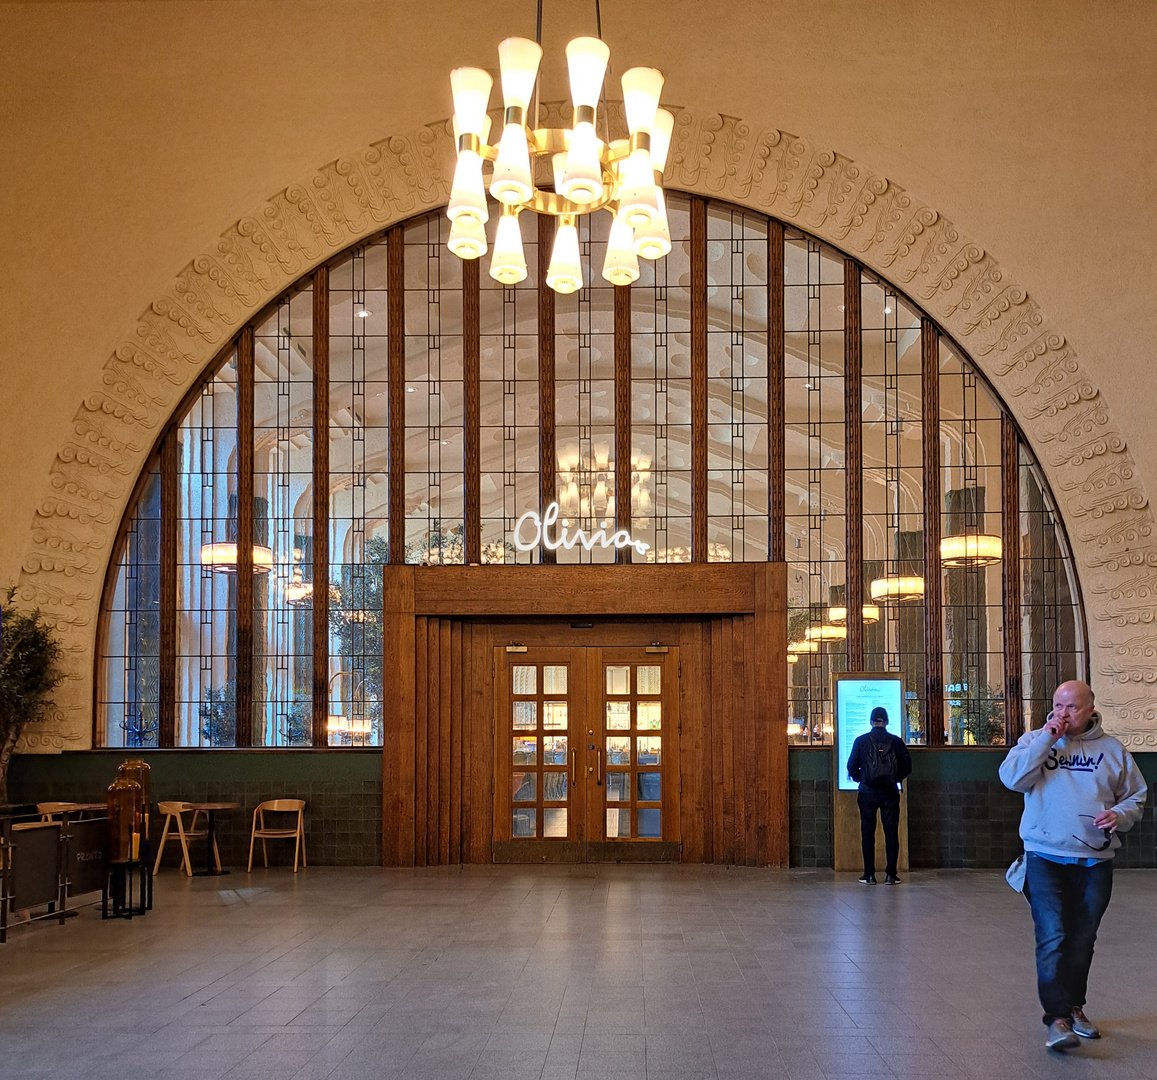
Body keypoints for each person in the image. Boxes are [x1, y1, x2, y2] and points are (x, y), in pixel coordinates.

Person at [999, 681, 1147, 1053]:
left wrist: (1121, 814)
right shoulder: (1034, 741)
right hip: (1044, 855)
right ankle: (1057, 1019)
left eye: (1072, 708)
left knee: (1082, 938)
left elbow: (1136, 796)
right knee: (1052, 935)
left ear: (1090, 709)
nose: (1063, 714)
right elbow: (1012, 779)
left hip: (1094, 861)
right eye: (1058, 706)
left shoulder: (1113, 751)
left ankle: (1074, 1007)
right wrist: (1046, 741)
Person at [846, 706, 912, 885]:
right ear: (887, 721)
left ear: (871, 721)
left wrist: (862, 778)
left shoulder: (861, 741)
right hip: (889, 792)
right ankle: (891, 874)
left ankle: (869, 875)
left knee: (867, 832)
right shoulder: (896, 742)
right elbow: (907, 767)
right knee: (891, 832)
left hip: (867, 792)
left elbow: (851, 765)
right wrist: (894, 778)